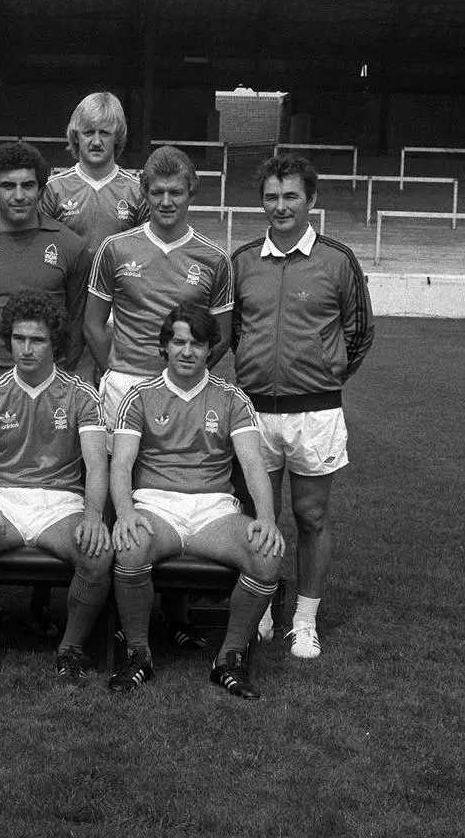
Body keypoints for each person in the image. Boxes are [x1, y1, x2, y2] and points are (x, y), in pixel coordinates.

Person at [84, 145, 234, 648]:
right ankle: (111, 606)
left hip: (186, 390)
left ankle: (177, 612)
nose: (166, 200)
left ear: (192, 193)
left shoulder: (213, 257)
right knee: (115, 492)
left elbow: (222, 334)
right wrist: (121, 372)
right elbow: (92, 324)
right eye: (157, 192)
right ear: (144, 195)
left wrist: (183, 381)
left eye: (176, 192)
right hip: (125, 384)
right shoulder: (115, 249)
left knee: (173, 487)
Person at [231, 154, 374, 659]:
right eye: (271, 196)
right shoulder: (244, 260)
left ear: (311, 200)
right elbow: (231, 333)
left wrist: (327, 374)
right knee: (255, 515)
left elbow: (359, 333)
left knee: (310, 516)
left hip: (315, 412)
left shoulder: (338, 260)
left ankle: (305, 619)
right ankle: (263, 607)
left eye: (291, 196)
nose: (280, 206)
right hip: (253, 414)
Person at [107, 305, 285, 699]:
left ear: (209, 350)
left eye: (197, 344)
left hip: (213, 511)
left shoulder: (231, 398)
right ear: (165, 347)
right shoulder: (139, 396)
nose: (187, 351)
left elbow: (254, 463)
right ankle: (138, 652)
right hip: (157, 507)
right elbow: (120, 464)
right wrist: (125, 514)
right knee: (130, 545)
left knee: (267, 555)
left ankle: (229, 658)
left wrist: (267, 519)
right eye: (179, 342)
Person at [0, 291, 112, 695]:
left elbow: (97, 466)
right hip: (5, 501)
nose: (26, 349)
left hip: (60, 504)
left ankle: (70, 651)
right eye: (19, 339)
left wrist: (92, 516)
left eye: (36, 340)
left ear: (55, 343)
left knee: (98, 550)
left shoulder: (80, 393)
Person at [0, 141, 90, 399]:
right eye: (8, 186)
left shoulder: (71, 246)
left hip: (48, 379)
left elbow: (77, 322)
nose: (19, 195)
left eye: (28, 185)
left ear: (42, 190)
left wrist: (58, 368)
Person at [41, 92, 147, 256]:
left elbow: (146, 254)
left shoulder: (138, 191)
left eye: (104, 133)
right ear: (76, 136)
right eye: (88, 132)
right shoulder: (53, 189)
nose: (96, 142)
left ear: (117, 137)